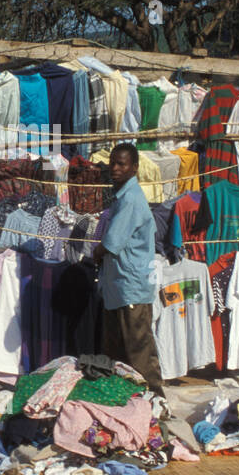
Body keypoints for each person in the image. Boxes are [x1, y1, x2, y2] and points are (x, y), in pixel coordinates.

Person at [93, 143, 166, 397]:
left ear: (134, 168)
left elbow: (111, 243)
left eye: (121, 164)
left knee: (139, 350)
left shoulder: (131, 199)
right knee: (116, 351)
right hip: (119, 288)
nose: (114, 168)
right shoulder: (122, 197)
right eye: (112, 163)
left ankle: (156, 401)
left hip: (131, 287)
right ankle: (125, 399)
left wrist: (95, 253)